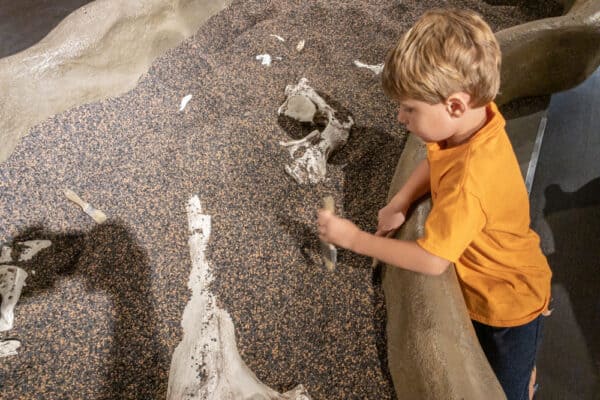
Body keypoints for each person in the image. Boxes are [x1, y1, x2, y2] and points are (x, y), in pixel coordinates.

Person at [317, 8, 552, 400]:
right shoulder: (473, 124)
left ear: (455, 105)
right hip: (487, 283)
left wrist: (355, 239)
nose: (400, 118)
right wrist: (401, 200)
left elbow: (431, 260)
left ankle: (525, 379)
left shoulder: (471, 183)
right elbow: (433, 159)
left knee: (505, 383)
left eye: (410, 109)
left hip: (508, 305)